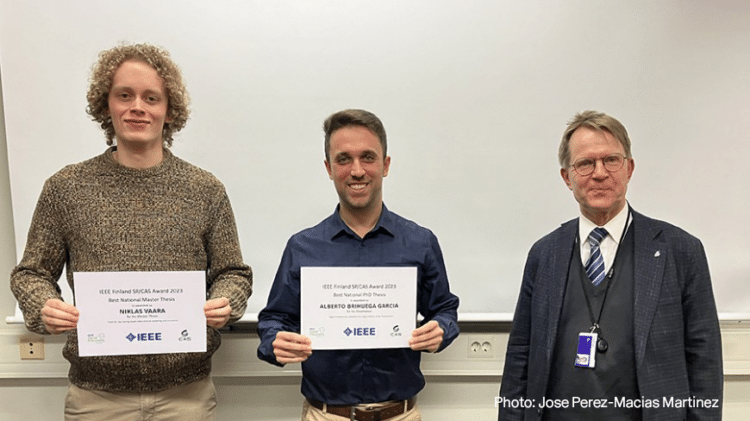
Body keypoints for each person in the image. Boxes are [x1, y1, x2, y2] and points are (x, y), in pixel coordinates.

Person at [10, 43, 252, 420]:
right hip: (96, 398)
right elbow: (31, 274)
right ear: (106, 105)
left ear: (169, 110)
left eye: (151, 97)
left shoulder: (205, 190)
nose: (137, 107)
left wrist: (227, 301)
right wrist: (43, 305)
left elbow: (233, 273)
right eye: (125, 95)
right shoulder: (66, 188)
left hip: (186, 395)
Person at [498, 110, 722, 420]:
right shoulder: (544, 255)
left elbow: (704, 355)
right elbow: (520, 353)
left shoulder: (680, 250)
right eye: (586, 163)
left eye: (611, 160)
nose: (600, 173)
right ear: (567, 177)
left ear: (629, 168)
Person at [257, 109, 459, 421]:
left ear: (385, 165)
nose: (357, 170)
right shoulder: (302, 247)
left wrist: (440, 330)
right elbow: (274, 320)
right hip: (327, 416)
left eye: (368, 157)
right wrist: (274, 342)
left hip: (400, 415)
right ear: (328, 167)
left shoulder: (421, 242)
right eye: (343, 159)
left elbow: (444, 310)